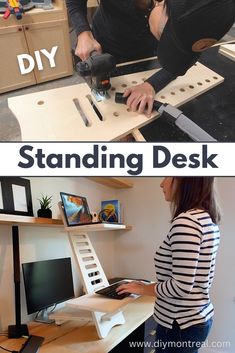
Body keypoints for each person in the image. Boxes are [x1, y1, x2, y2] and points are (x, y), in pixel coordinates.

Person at [67, 1, 235, 115]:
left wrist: (152, 84)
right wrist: (83, 32)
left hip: (145, 51)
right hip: (108, 41)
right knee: (105, 109)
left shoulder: (217, 7)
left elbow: (189, 49)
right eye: (164, 33)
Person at [117, 177, 221, 353]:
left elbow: (181, 286)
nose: (161, 183)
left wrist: (143, 289)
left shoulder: (187, 222)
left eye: (167, 176)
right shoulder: (205, 219)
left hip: (179, 324)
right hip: (196, 318)